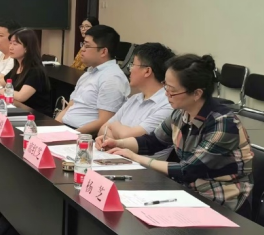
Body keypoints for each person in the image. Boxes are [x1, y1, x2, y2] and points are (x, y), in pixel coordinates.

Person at [101, 54, 253, 215]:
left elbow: (187, 170)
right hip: (189, 192)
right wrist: (119, 144)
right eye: (165, 86)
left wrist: (136, 157)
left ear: (196, 93)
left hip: (223, 202)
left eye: (172, 90)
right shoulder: (181, 113)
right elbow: (153, 141)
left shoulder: (224, 124)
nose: (166, 94)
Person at [95, 43, 175, 160]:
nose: (130, 69)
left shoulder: (168, 104)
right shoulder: (134, 99)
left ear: (147, 71)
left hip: (142, 167)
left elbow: (130, 137)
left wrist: (115, 126)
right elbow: (103, 130)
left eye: (132, 64)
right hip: (115, 158)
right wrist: (120, 135)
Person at [55, 25, 129, 134]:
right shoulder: (89, 73)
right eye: (83, 44)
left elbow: (104, 121)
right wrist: (54, 126)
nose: (82, 49)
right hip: (67, 129)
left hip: (82, 135)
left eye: (87, 46)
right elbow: (70, 106)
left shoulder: (112, 78)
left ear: (103, 52)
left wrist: (72, 135)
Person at [0, 28, 53, 116]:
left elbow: (21, 96)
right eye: (10, 43)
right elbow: (1, 81)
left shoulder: (35, 71)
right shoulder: (17, 67)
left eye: (15, 44)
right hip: (18, 111)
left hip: (36, 117)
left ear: (27, 48)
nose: (11, 47)